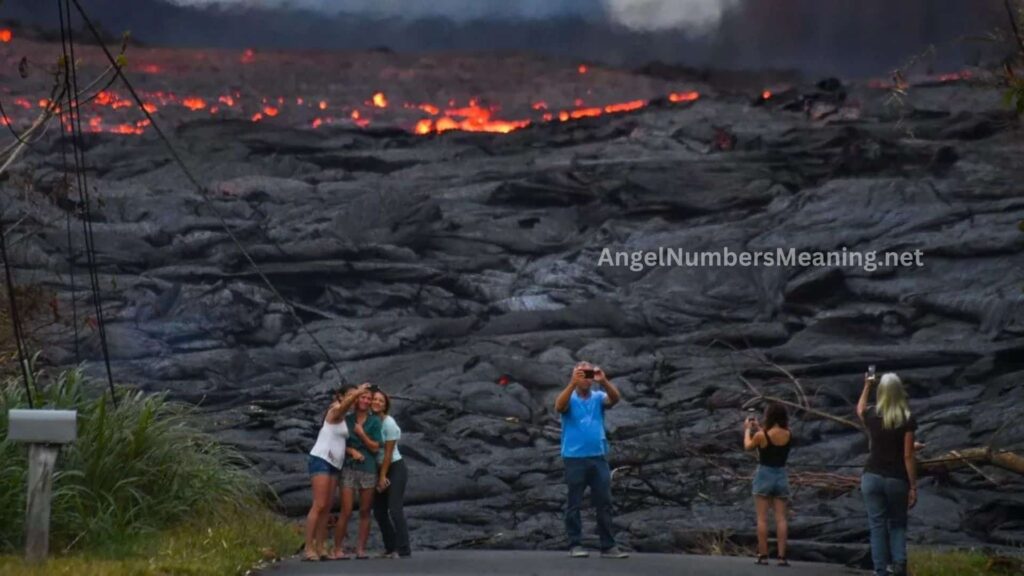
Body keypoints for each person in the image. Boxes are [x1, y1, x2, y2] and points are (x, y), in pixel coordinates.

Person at [553, 361, 628, 559]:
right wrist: (571, 384)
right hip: (574, 458)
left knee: (604, 502)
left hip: (598, 457)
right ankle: (575, 544)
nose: (585, 378)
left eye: (588, 373)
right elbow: (559, 406)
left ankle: (608, 546)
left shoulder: (598, 397)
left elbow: (615, 399)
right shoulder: (569, 396)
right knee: (574, 503)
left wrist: (604, 381)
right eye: (581, 373)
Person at [857, 372, 918, 576]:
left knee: (877, 526)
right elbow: (907, 455)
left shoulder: (873, 415)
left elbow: (860, 409)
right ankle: (899, 565)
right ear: (899, 392)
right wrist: (913, 486)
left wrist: (867, 385)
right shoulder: (907, 418)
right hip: (896, 478)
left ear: (881, 392)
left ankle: (880, 570)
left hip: (871, 475)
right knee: (898, 524)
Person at [303, 383, 367, 562]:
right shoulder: (334, 410)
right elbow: (345, 406)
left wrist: (351, 451)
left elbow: (339, 440)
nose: (355, 398)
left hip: (335, 463)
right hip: (321, 459)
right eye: (351, 395)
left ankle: (321, 547)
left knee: (327, 508)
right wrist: (356, 394)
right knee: (319, 504)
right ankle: (309, 548)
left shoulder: (345, 416)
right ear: (340, 396)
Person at [331, 384, 383, 560]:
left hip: (368, 468)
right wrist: (351, 451)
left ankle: (360, 549)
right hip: (349, 467)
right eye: (363, 397)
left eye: (369, 398)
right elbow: (338, 442)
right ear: (357, 399)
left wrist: (362, 435)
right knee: (346, 510)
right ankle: (337, 549)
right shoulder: (347, 419)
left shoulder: (375, 421)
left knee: (365, 510)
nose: (366, 401)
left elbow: (376, 447)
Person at [743, 402, 792, 567]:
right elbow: (774, 438)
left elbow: (748, 446)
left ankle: (763, 555)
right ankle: (782, 557)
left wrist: (748, 430)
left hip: (764, 475)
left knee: (762, 519)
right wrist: (759, 427)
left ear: (768, 416)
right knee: (781, 519)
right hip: (781, 475)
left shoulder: (761, 435)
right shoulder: (788, 434)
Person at [371, 389, 411, 558]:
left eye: (381, 401)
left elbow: (388, 453)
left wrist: (382, 477)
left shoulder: (389, 423)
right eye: (375, 399)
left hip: (395, 467)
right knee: (379, 511)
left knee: (394, 508)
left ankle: (403, 548)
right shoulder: (369, 421)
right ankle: (390, 546)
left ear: (385, 405)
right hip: (378, 468)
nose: (377, 402)